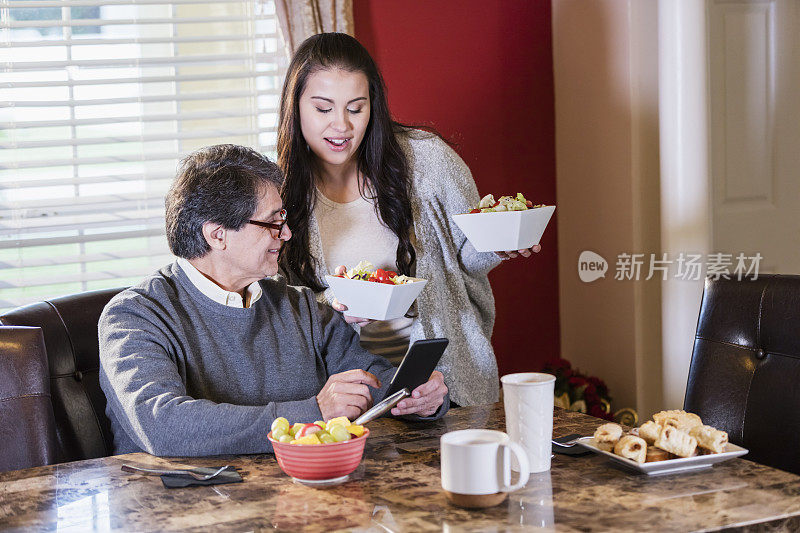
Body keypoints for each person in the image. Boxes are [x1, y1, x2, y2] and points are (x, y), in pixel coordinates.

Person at [98, 144, 448, 457]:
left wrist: (422, 398)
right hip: (181, 511)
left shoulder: (300, 306)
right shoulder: (133, 316)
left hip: (301, 497)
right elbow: (165, 425)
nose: (287, 233)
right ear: (217, 234)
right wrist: (314, 412)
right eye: (272, 221)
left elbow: (374, 380)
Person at [277, 33, 540, 407]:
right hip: (353, 398)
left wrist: (500, 243)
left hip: (445, 386)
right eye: (323, 109)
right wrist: (336, 302)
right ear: (296, 107)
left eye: (356, 108)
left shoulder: (426, 161)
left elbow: (467, 257)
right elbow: (280, 309)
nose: (342, 126)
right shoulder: (279, 194)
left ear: (374, 106)